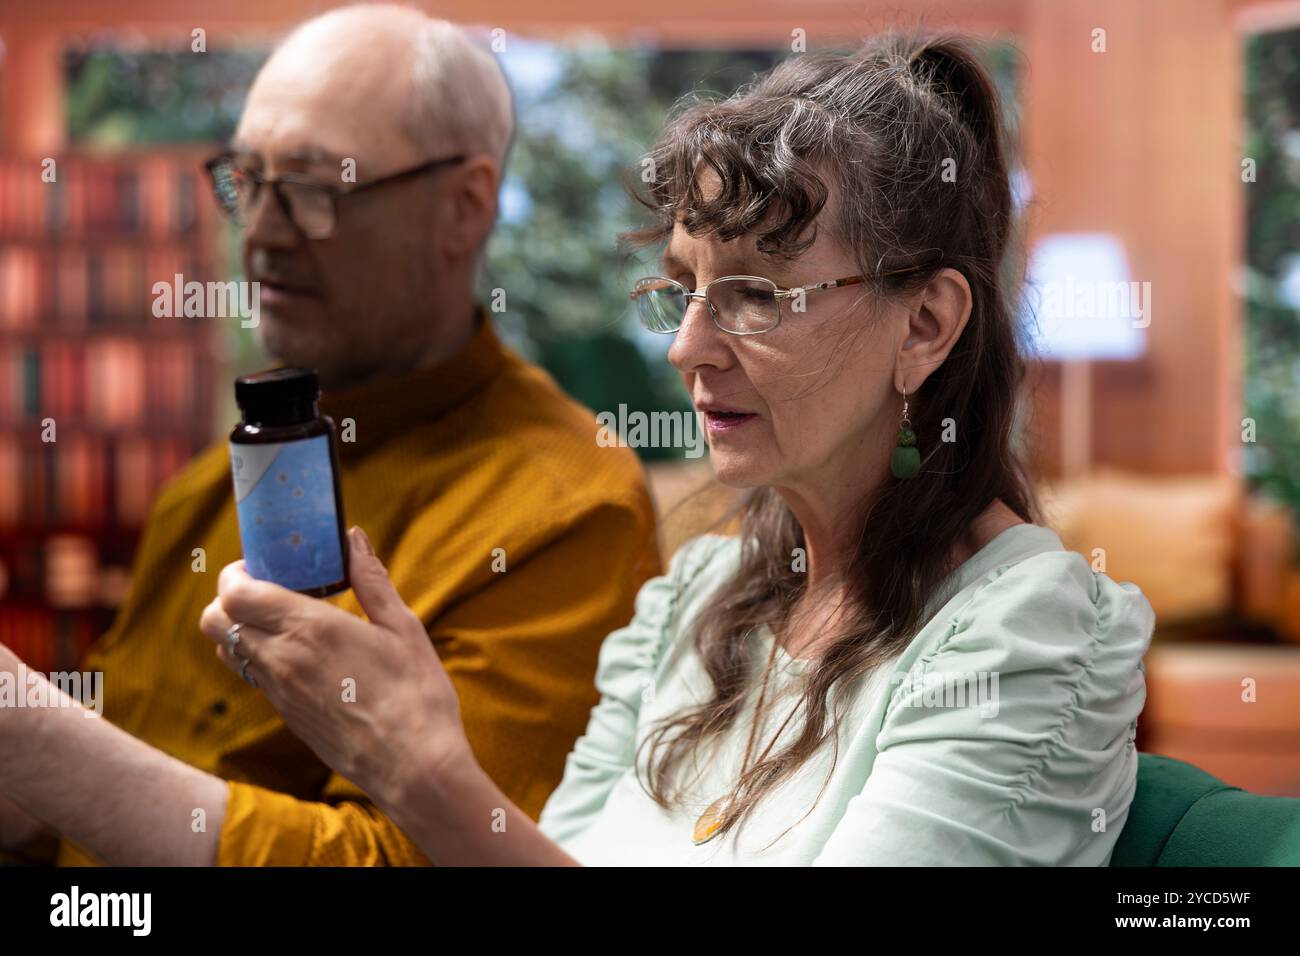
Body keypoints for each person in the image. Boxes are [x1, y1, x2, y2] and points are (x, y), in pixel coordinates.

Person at [198, 33, 1156, 865]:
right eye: (682, 289)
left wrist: (418, 772)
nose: (686, 347)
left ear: (927, 325)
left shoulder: (1026, 636)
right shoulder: (692, 601)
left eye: (754, 295)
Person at [0, 6, 658, 867]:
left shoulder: (568, 511)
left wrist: (39, 739)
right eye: (246, 179)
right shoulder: (210, 486)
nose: (261, 232)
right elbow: (77, 812)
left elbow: (410, 859)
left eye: (312, 189)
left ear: (464, 206)